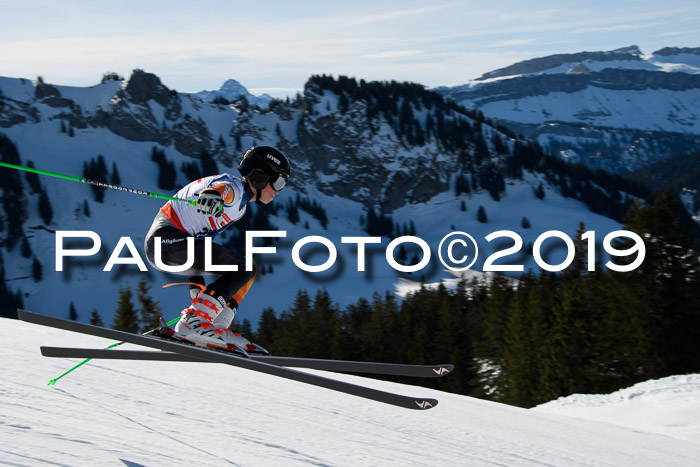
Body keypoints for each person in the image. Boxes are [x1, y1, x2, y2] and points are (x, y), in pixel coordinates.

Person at [144, 146, 290, 351]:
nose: (277, 190)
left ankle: (214, 325)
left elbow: (200, 243)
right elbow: (223, 191)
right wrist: (213, 195)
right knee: (243, 268)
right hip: (164, 241)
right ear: (259, 176)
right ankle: (195, 322)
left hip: (173, 246)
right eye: (278, 182)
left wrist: (197, 285)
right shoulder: (234, 189)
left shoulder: (240, 208)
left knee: (249, 270)